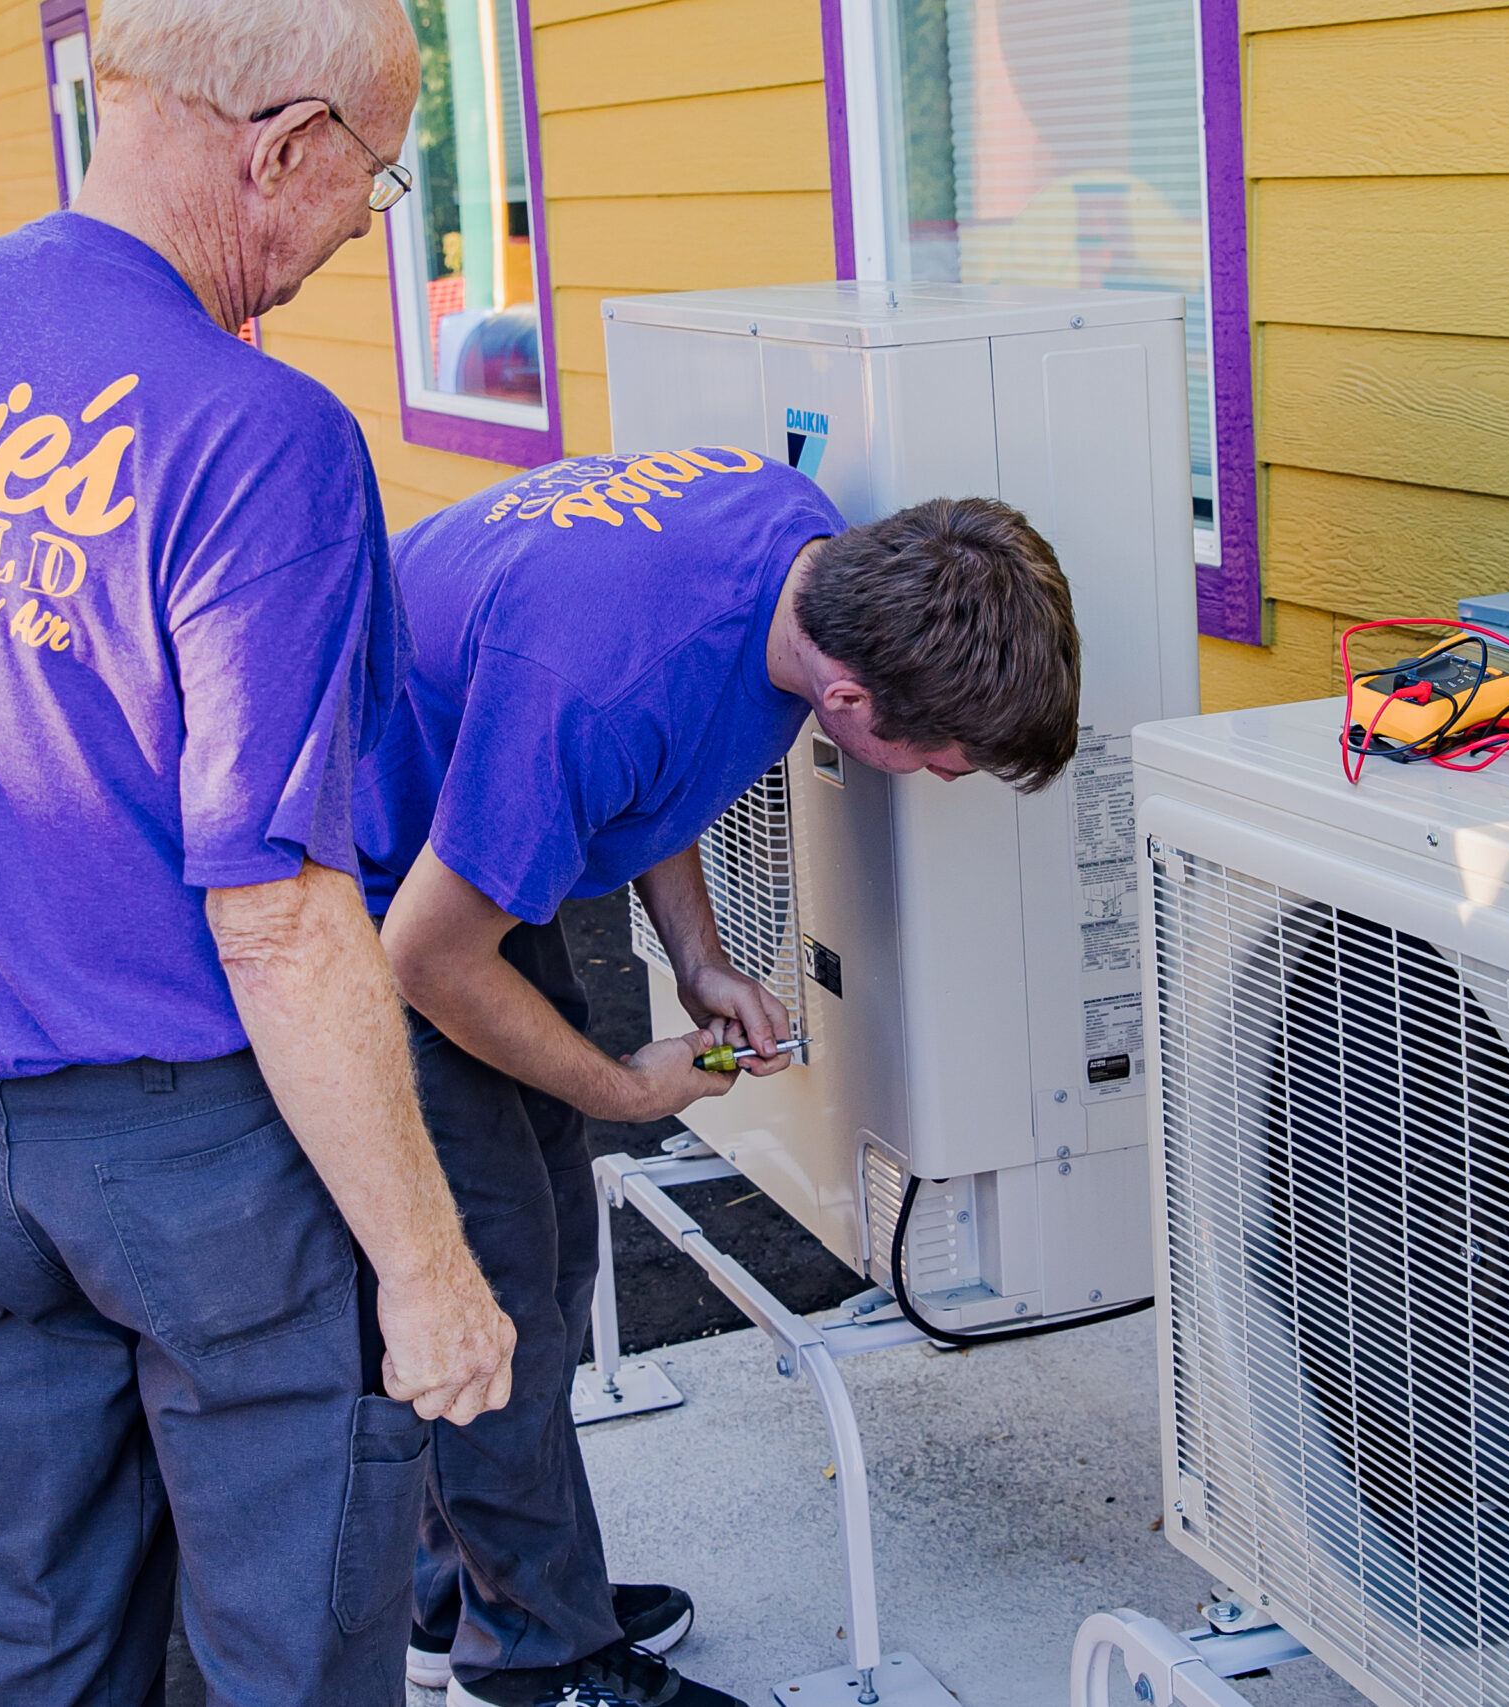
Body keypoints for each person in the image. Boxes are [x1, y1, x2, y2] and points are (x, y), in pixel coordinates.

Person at [0, 1, 517, 1701]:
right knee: (291, 1643)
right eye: (376, 180)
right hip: (205, 1165)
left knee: (26, 1645)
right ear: (284, 143)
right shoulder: (266, 436)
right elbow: (277, 915)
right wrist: (429, 1268)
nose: (354, 226)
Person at [356, 451, 1083, 1707]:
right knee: (487, 1287)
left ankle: (475, 1587)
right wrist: (616, 1090)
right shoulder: (586, 696)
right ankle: (540, 1657)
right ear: (850, 701)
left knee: (536, 1247)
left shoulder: (795, 540)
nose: (949, 781)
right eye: (950, 760)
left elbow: (664, 745)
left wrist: (700, 958)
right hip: (373, 875)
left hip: (474, 797)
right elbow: (423, 956)